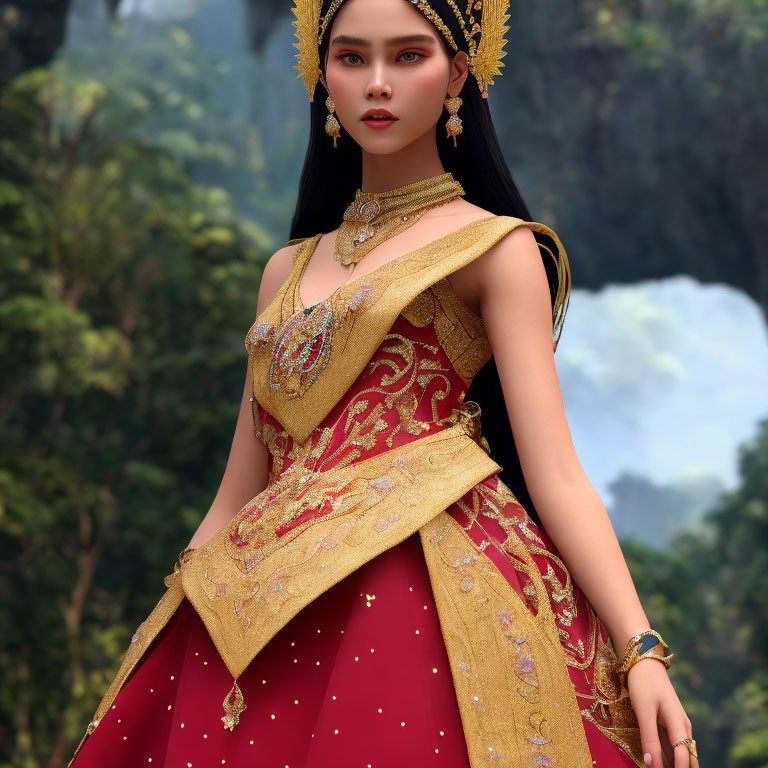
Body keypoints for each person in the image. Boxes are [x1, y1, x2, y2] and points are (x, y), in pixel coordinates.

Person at [68, 1, 700, 766]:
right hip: (251, 610)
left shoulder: (496, 250)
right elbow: (240, 491)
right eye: (351, 58)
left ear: (459, 72)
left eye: (408, 57)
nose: (376, 84)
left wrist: (640, 650)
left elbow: (555, 472)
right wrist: (162, 634)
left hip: (421, 595)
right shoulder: (285, 271)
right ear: (322, 75)